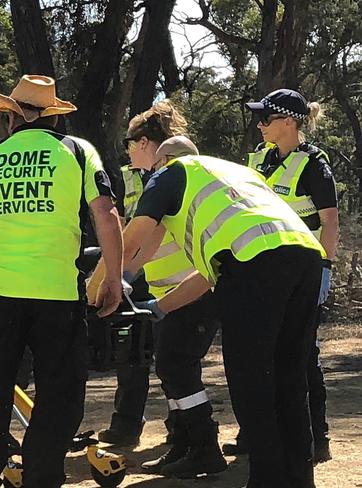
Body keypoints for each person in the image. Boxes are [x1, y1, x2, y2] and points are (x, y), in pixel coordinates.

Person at [97, 139, 325, 488]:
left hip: (253, 264)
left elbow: (132, 238)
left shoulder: (170, 174)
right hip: (305, 254)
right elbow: (207, 276)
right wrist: (159, 306)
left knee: (253, 381)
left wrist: (94, 287)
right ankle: (299, 479)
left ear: (166, 160)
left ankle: (266, 480)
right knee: (290, 379)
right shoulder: (237, 177)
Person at [0, 75, 123, 488]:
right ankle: (42, 476)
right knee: (59, 395)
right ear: (51, 117)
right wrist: (114, 278)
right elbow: (105, 214)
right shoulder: (76, 151)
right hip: (56, 294)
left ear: (11, 117)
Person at [89, 135, 227, 478]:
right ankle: (184, 443)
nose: (154, 173)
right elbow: (151, 242)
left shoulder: (183, 189)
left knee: (177, 367)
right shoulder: (176, 196)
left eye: (159, 166)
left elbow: (141, 238)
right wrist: (126, 275)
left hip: (193, 292)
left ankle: (205, 446)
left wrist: (110, 278)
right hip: (169, 295)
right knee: (170, 369)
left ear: (172, 162)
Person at [220, 89, 338, 463]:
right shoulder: (259, 160)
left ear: (289, 122)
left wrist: (325, 268)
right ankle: (257, 433)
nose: (259, 125)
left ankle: (315, 438)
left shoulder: (314, 163)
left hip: (302, 273)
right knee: (261, 353)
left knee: (302, 356)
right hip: (260, 273)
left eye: (266, 119)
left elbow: (330, 222)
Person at [96, 100, 188, 447]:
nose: (128, 150)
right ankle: (126, 425)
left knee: (174, 361)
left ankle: (181, 430)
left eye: (129, 143)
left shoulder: (182, 169)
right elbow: (119, 224)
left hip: (180, 280)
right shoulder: (129, 177)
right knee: (131, 354)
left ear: (145, 142)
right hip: (139, 277)